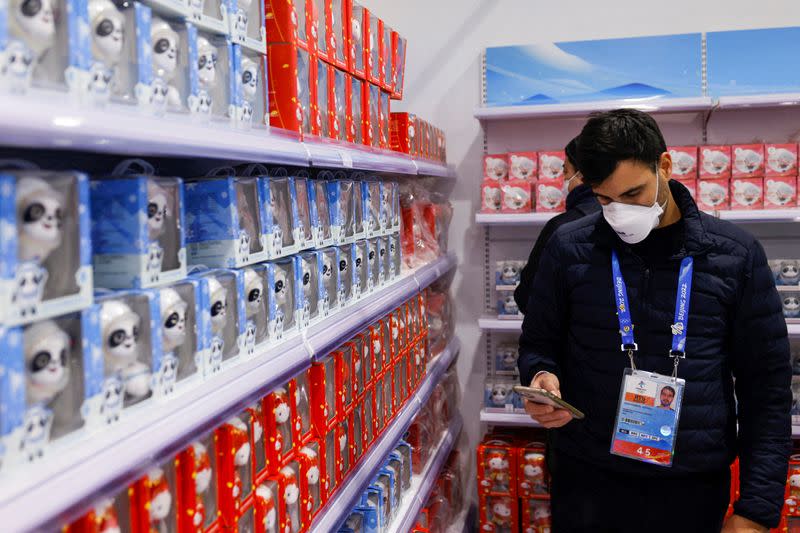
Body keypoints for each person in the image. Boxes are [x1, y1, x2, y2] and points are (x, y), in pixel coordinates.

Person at [518, 109, 791, 533]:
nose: (619, 212)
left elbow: (767, 388)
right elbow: (538, 343)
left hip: (690, 488)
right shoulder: (568, 247)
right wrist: (540, 378)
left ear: (664, 165)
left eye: (633, 193)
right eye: (604, 199)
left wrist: (756, 508)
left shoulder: (734, 256)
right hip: (588, 480)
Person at [513, 137, 599, 314]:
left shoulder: (560, 228)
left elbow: (526, 297)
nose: (564, 180)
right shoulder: (628, 221)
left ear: (582, 174)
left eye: (566, 172)